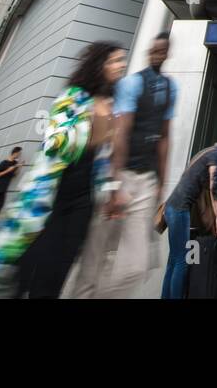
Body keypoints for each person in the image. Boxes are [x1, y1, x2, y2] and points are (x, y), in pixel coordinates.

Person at [0, 41, 123, 299]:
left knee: (59, 267)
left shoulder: (112, 104)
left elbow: (109, 157)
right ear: (98, 65)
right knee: (31, 262)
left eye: (122, 60)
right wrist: (91, 123)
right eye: (113, 60)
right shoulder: (74, 96)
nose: (120, 65)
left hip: (85, 196)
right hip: (52, 192)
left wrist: (112, 190)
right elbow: (55, 141)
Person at [74, 32, 177, 298]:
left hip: (146, 181)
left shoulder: (170, 87)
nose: (156, 54)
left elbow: (165, 137)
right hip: (120, 175)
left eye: (161, 51)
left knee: (136, 265)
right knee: (94, 256)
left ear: (167, 53)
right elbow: (120, 133)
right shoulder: (131, 84)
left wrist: (161, 185)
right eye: (153, 50)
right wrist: (115, 183)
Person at [161, 140, 217, 299]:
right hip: (179, 210)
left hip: (171, 208)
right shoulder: (215, 155)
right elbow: (213, 187)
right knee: (182, 261)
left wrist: (208, 219)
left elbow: (201, 200)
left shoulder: (203, 156)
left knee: (173, 261)